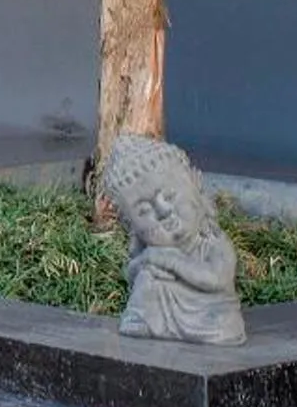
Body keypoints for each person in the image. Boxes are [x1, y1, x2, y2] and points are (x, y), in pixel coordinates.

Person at [101, 135, 246, 345]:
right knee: (148, 282)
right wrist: (142, 262)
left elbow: (218, 279)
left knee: (221, 320)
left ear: (196, 187)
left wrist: (171, 261)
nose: (163, 211)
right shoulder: (151, 253)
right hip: (161, 312)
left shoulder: (213, 243)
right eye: (144, 210)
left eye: (169, 196)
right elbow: (131, 273)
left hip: (210, 316)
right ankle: (142, 323)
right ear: (132, 226)